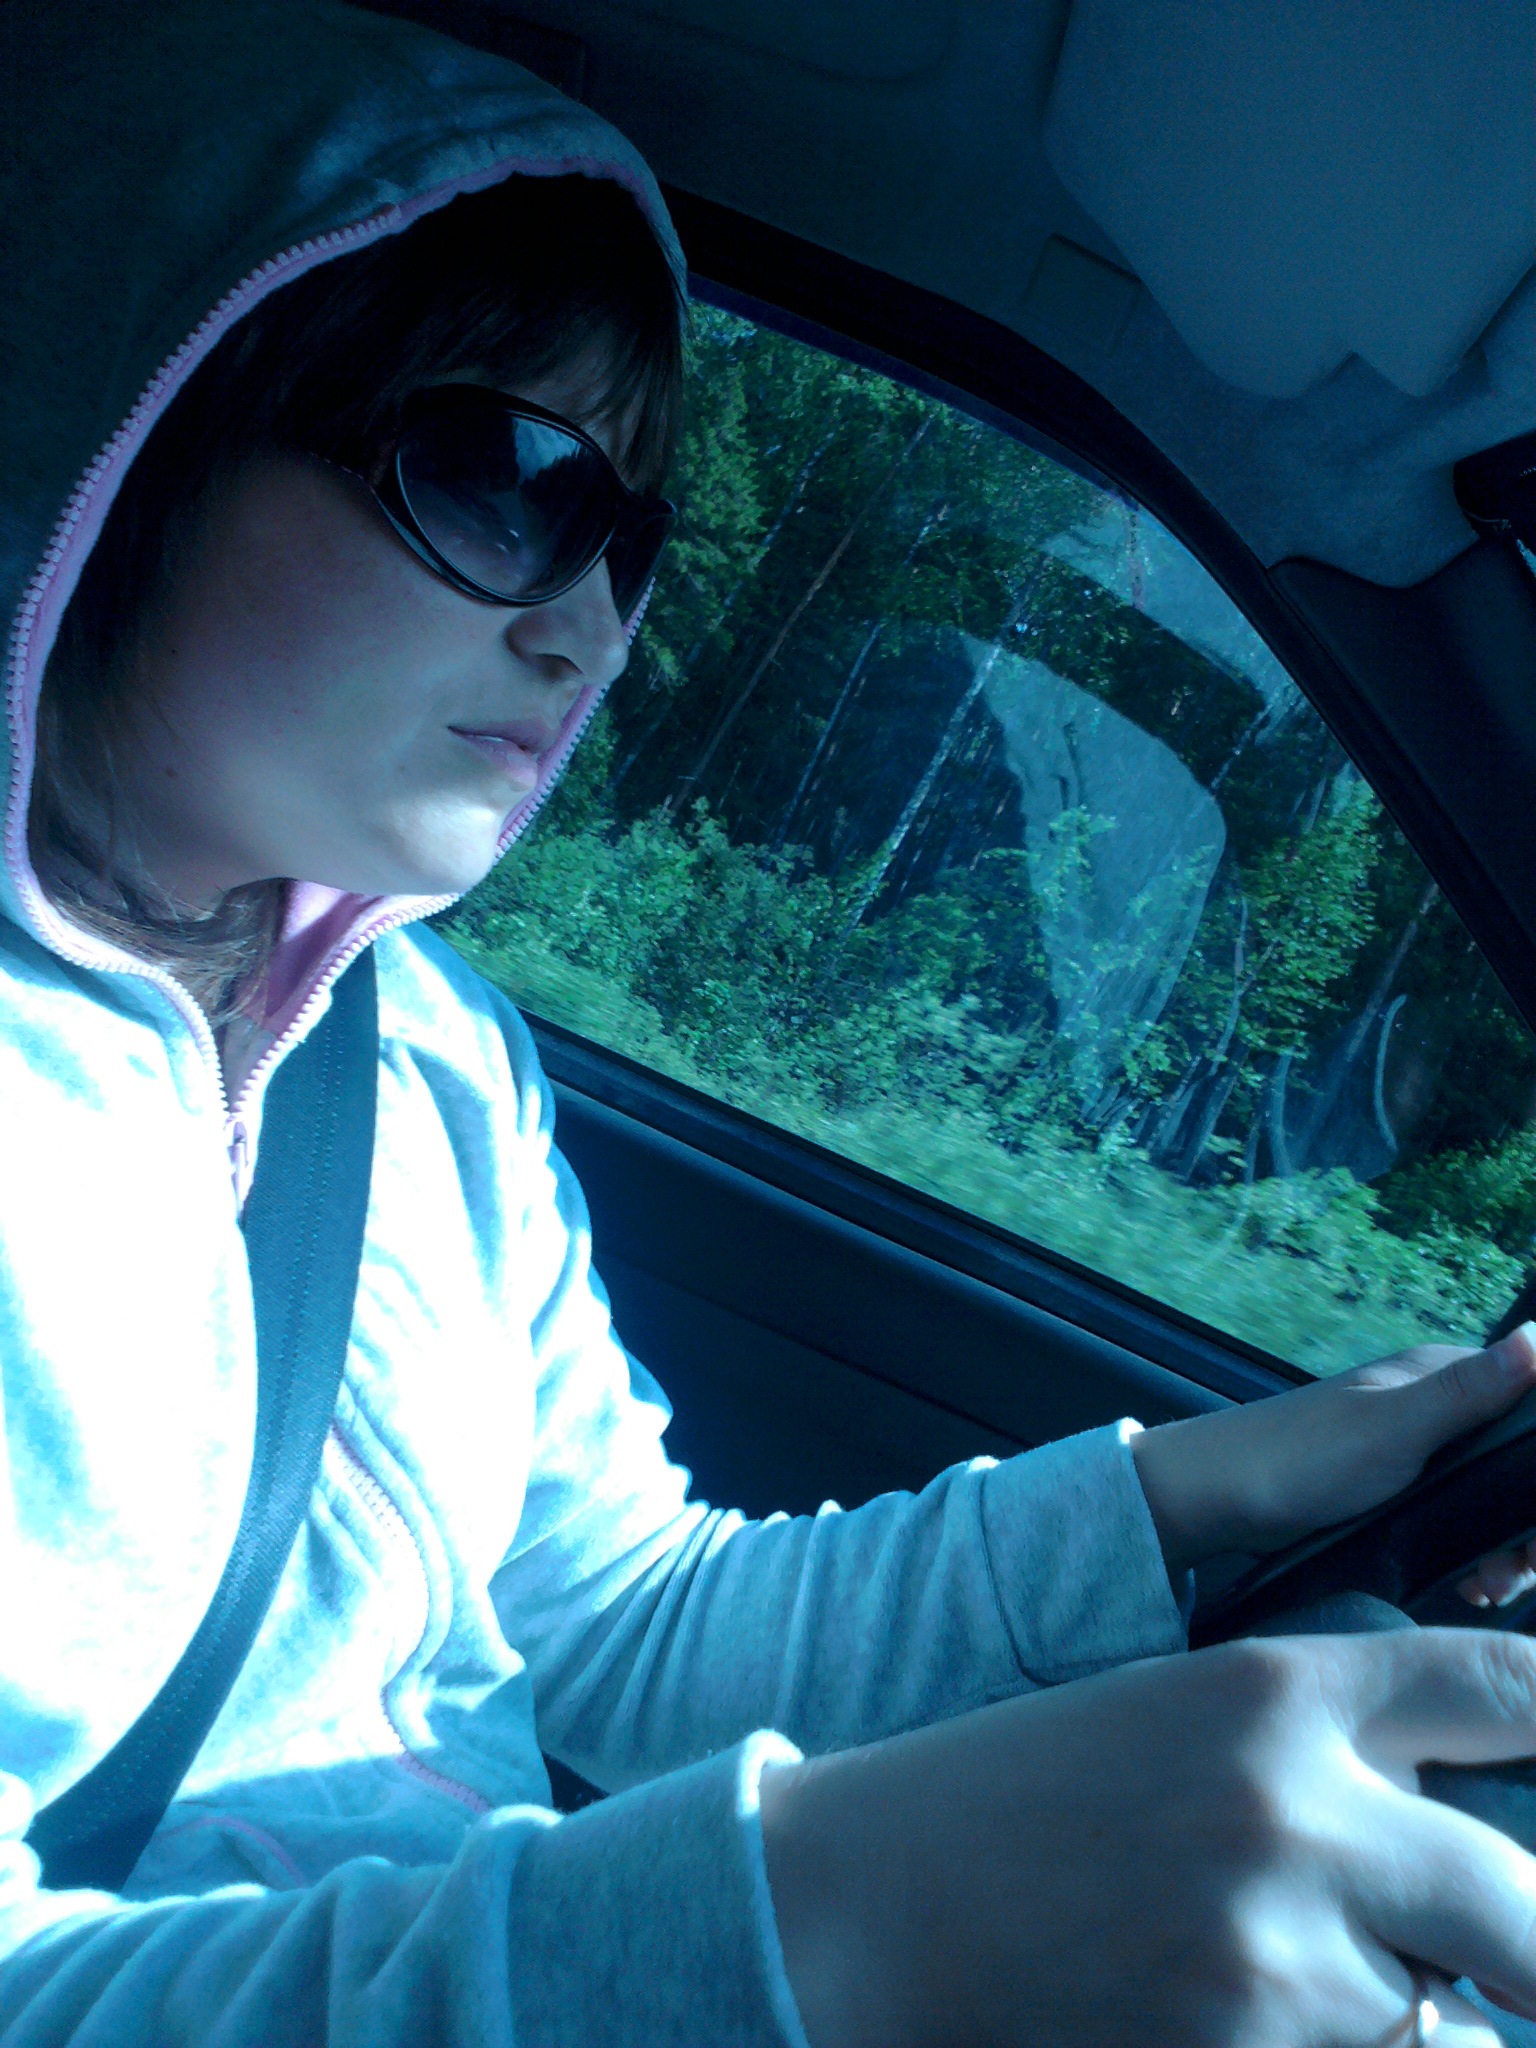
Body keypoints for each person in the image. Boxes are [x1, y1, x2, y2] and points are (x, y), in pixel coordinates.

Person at [4, 3, 1536, 2044]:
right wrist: (848, 1915)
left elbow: (622, 1628)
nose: (585, 624)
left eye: (633, 536)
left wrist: (1208, 1492)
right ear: (124, 415)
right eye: (505, 475)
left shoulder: (430, 1065)